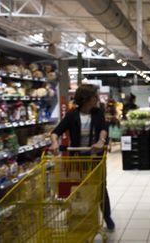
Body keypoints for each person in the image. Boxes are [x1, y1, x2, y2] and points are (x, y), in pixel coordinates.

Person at [48, 84, 115, 230]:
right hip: (78, 159)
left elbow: (103, 129)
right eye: (94, 97)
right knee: (78, 189)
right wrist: (54, 143)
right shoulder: (72, 115)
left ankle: (107, 217)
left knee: (100, 187)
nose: (97, 99)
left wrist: (100, 142)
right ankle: (80, 218)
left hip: (95, 158)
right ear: (86, 99)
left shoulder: (97, 113)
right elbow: (55, 132)